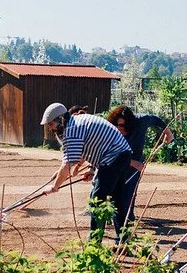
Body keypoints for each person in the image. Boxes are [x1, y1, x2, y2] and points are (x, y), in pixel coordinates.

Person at [41, 102, 132, 242]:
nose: (50, 128)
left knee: (97, 200)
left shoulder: (72, 130)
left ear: (60, 120)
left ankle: (94, 244)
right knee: (117, 200)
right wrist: (60, 174)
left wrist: (54, 187)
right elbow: (77, 156)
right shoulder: (75, 123)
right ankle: (124, 242)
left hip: (113, 157)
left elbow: (67, 165)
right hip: (122, 154)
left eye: (51, 124)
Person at [107, 105, 174, 224]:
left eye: (122, 126)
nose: (118, 129)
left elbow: (156, 120)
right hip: (117, 163)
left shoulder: (141, 121)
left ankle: (128, 216)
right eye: (116, 125)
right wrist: (132, 163)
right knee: (112, 190)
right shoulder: (109, 130)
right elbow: (107, 154)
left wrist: (168, 133)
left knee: (130, 190)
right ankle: (111, 215)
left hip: (135, 164)